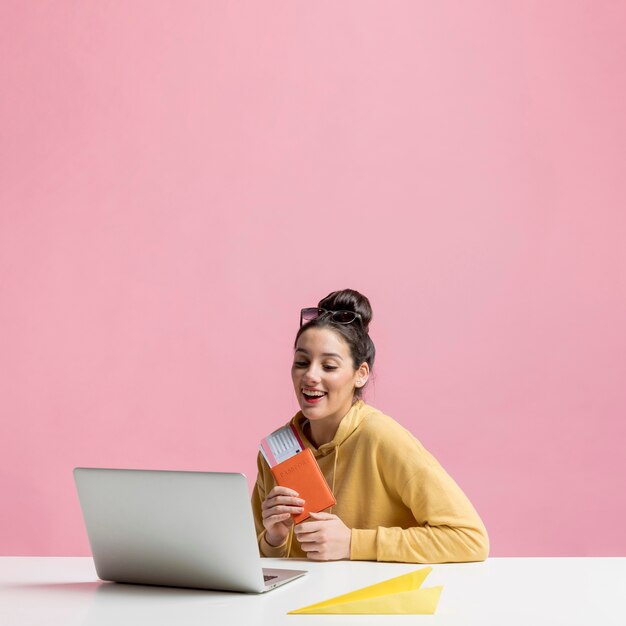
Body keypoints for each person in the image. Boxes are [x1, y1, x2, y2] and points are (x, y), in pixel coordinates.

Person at [251, 289, 489, 563]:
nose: (310, 375)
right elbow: (253, 564)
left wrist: (354, 543)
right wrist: (274, 539)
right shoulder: (276, 451)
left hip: (372, 601)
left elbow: (469, 538)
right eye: (302, 362)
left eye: (329, 366)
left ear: (360, 374)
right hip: (296, 604)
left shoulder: (382, 438)